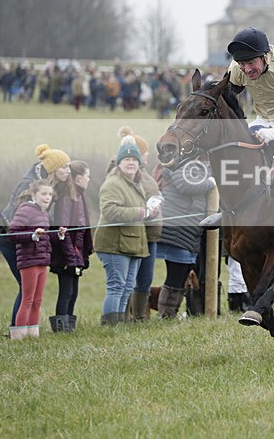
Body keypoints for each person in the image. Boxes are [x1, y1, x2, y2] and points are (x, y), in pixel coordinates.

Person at [203, 27, 274, 228]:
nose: (246, 69)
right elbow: (225, 97)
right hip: (262, 118)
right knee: (237, 153)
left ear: (265, 57)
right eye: (242, 64)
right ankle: (227, 209)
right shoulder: (237, 68)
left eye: (251, 63)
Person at [0, 144, 71, 331]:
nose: (68, 171)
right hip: (12, 241)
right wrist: (34, 234)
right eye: (64, 167)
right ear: (53, 169)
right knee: (26, 287)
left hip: (33, 243)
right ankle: (17, 330)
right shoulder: (29, 186)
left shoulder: (51, 188)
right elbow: (20, 218)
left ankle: (27, 329)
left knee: (31, 292)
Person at [94, 136, 159, 325]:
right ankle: (109, 325)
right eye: (126, 160)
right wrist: (140, 212)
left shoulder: (136, 183)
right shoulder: (112, 183)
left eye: (134, 160)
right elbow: (110, 211)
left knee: (127, 286)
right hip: (114, 244)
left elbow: (140, 213)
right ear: (119, 163)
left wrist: (150, 213)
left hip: (132, 243)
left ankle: (120, 322)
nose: (131, 163)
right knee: (116, 286)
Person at [152, 159, 216, 318]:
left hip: (188, 227)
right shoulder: (179, 162)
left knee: (181, 275)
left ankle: (169, 314)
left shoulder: (197, 163)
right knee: (176, 274)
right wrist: (210, 182)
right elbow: (185, 184)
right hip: (177, 226)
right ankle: (166, 316)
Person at [7, 180, 69, 340]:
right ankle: (18, 337)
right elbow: (12, 233)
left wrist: (58, 235)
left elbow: (45, 237)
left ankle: (33, 336)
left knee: (37, 300)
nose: (47, 198)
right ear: (34, 194)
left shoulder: (44, 212)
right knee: (27, 299)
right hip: (28, 261)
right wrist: (32, 235)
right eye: (43, 194)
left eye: (50, 194)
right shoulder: (26, 209)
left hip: (42, 261)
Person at [49, 161, 93, 332]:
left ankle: (69, 327)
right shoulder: (67, 198)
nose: (89, 180)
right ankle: (61, 329)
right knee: (66, 291)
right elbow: (65, 230)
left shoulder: (79, 196)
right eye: (88, 176)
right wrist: (71, 257)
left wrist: (83, 255)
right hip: (66, 254)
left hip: (76, 252)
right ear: (79, 178)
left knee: (73, 292)